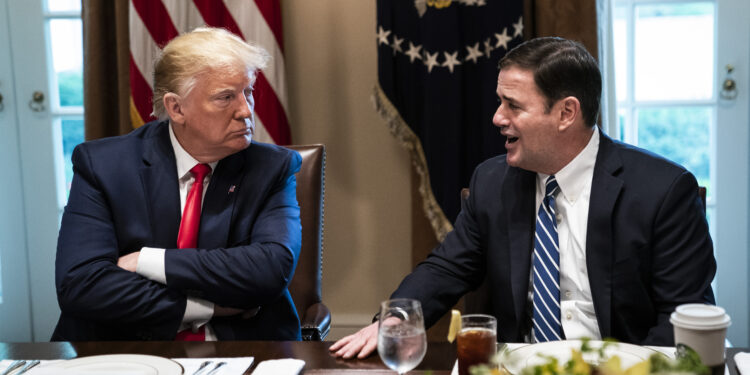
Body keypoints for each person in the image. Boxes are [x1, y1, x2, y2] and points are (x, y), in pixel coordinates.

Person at [331, 37, 715, 358]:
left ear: (566, 113)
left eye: (513, 105)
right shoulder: (492, 181)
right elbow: (447, 268)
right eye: (500, 101)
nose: (497, 117)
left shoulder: (663, 191)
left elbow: (683, 319)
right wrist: (397, 317)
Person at [53, 27, 303, 341]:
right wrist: (205, 307)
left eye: (248, 91)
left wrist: (148, 260)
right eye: (226, 97)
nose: (246, 110)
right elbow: (81, 285)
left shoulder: (271, 168)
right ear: (176, 108)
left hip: (243, 348)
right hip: (128, 351)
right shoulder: (103, 166)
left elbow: (270, 270)